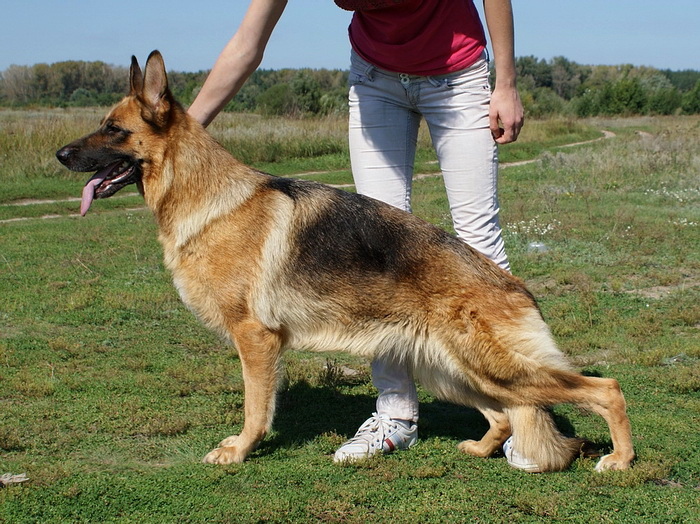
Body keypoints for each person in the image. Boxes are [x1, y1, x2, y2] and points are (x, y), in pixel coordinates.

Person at [188, 0, 526, 466]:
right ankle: (395, 414)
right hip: (377, 79)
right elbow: (248, 43)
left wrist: (504, 82)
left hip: (458, 73)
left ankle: (522, 411)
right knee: (375, 253)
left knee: (478, 238)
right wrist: (184, 131)